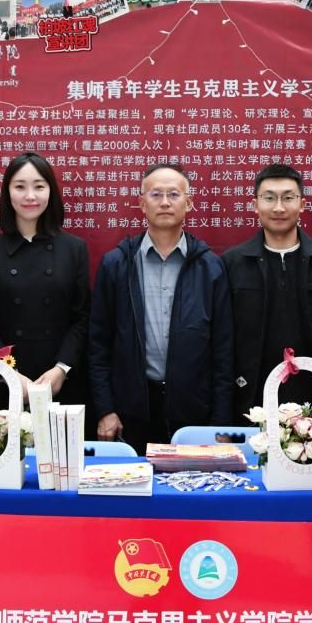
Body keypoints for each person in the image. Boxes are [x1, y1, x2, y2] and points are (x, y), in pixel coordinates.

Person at [88, 163, 234, 454]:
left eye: (174, 194)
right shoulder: (117, 264)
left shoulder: (210, 268)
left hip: (194, 411)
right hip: (131, 411)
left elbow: (224, 352)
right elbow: (98, 344)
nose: (165, 202)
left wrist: (220, 423)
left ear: (188, 203)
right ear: (142, 203)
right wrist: (105, 409)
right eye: (156, 194)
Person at [222, 163, 312, 419]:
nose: (279, 208)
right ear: (255, 205)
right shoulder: (233, 263)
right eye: (269, 198)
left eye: (288, 198)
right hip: (251, 393)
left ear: (302, 204)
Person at [0, 152, 90, 410]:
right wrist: (8, 373)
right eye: (20, 187)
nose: (30, 196)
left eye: (39, 186)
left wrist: (61, 368)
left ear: (51, 191)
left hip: (60, 384)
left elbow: (82, 318)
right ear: (7, 192)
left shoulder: (74, 249)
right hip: (3, 385)